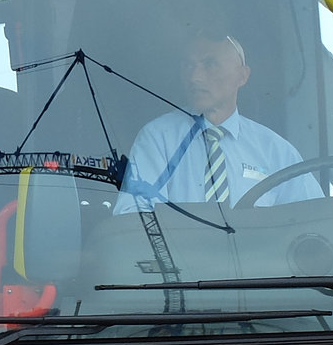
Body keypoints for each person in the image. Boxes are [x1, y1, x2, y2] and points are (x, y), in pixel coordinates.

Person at [117, 30, 321, 212]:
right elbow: (135, 220)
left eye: (210, 64)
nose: (194, 77)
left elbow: (313, 220)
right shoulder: (158, 139)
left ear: (242, 75)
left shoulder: (276, 151)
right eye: (188, 65)